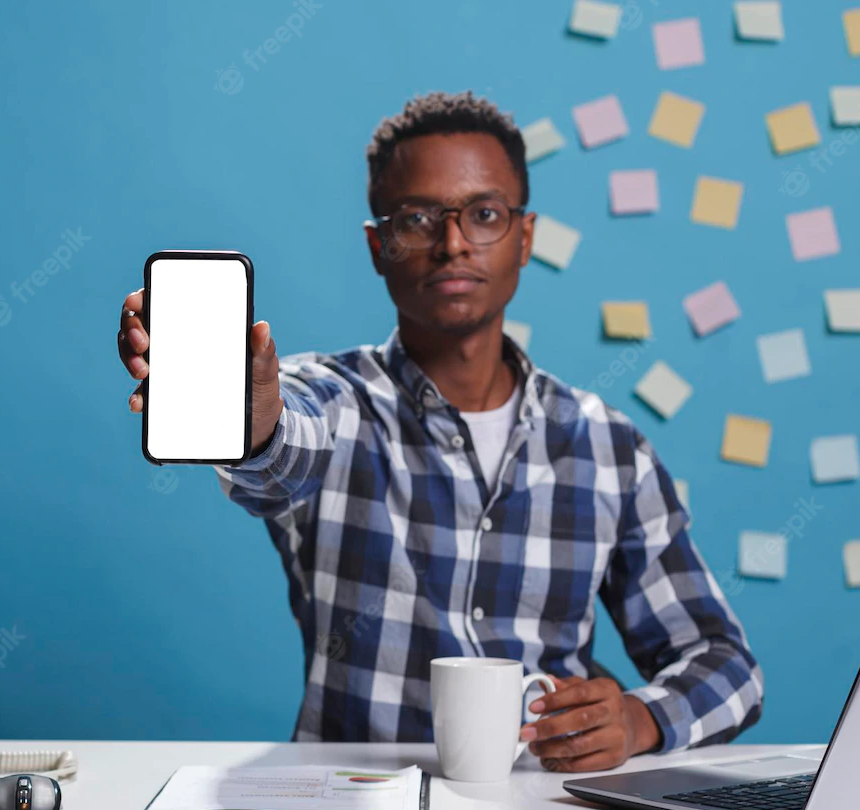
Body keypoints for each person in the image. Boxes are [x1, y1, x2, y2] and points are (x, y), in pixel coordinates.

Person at [116, 90, 763, 772]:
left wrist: (640, 719)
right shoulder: (333, 402)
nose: (453, 244)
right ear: (379, 246)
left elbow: (725, 665)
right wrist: (254, 425)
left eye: (484, 214)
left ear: (525, 237)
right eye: (418, 218)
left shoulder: (610, 449)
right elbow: (283, 452)